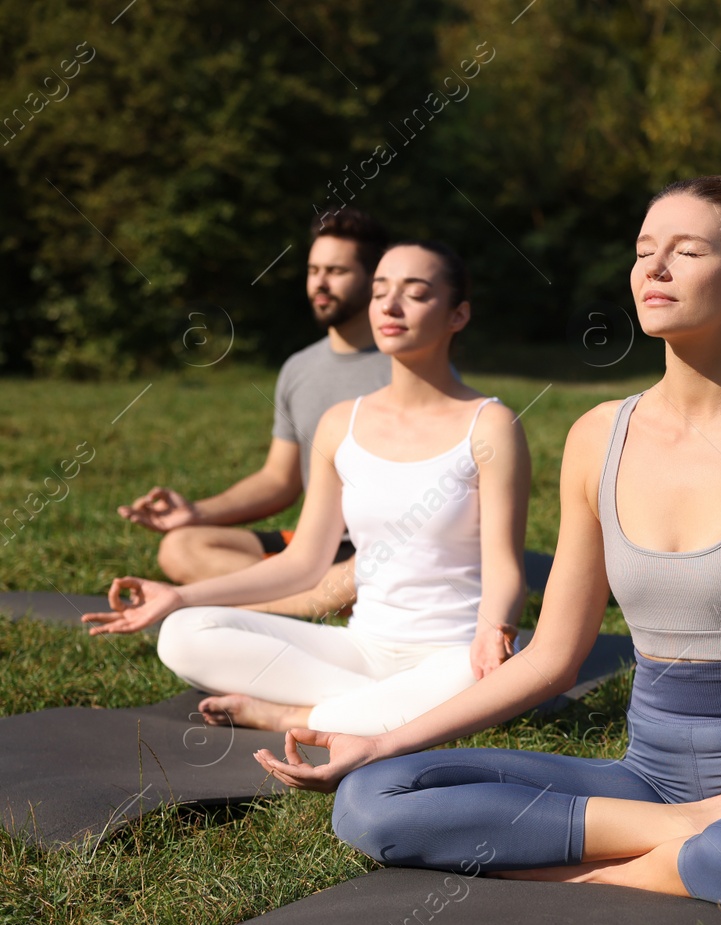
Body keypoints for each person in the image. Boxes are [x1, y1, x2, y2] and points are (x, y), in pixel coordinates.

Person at [251, 177, 721, 908]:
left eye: (685, 252)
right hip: (647, 778)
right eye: (645, 250)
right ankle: (684, 832)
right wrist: (385, 741)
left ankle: (588, 872)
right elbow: (554, 656)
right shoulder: (598, 437)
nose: (654, 268)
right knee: (372, 797)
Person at [84, 241, 530, 737]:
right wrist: (179, 596)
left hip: (453, 652)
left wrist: (494, 632)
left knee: (473, 679)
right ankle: (385, 713)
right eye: (380, 291)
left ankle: (296, 716)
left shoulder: (490, 425)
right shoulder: (341, 423)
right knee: (184, 634)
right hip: (362, 649)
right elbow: (303, 564)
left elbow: (507, 568)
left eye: (416, 293)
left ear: (457, 315)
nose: (390, 305)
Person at [116, 209, 393, 619]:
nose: (319, 282)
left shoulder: (404, 366)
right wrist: (195, 513)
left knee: (368, 568)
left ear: (374, 281)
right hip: (313, 546)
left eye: (336, 270)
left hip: (383, 548)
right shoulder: (299, 368)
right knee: (181, 546)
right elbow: (278, 480)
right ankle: (314, 598)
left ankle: (313, 597)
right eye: (313, 269)